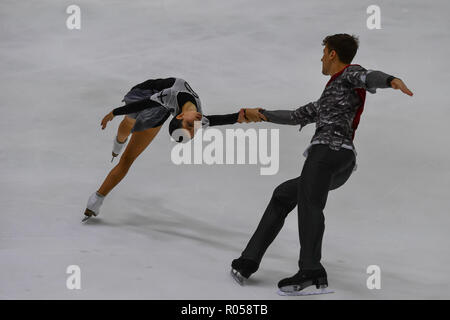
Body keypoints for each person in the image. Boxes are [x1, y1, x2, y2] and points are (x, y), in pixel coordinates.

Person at [230, 34, 413, 295]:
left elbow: (368, 75)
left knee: (309, 204)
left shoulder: (350, 74)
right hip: (340, 164)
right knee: (284, 195)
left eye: (323, 52)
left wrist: (390, 80)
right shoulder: (331, 93)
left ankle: (312, 270)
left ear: (332, 54)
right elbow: (296, 116)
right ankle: (248, 261)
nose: (321, 58)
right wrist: (261, 114)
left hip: (327, 153)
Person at [83, 77, 255, 221]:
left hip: (157, 108)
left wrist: (239, 117)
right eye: (192, 125)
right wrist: (114, 112)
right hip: (145, 93)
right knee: (129, 122)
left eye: (193, 129)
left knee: (128, 151)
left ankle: (96, 199)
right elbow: (222, 119)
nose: (196, 124)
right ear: (179, 115)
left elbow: (222, 119)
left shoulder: (188, 116)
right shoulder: (182, 104)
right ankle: (117, 146)